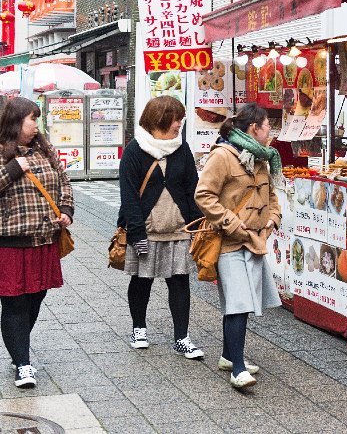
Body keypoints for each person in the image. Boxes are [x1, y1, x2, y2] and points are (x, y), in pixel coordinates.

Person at [0, 97, 73, 389]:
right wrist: (13, 169)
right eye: (32, 120)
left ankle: (18, 347)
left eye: (37, 120)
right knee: (14, 304)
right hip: (8, 243)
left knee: (36, 298)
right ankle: (23, 363)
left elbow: (64, 182)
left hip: (43, 239)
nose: (36, 126)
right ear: (16, 122)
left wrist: (66, 211)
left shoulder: (44, 150)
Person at [195, 103, 282, 388]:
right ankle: (238, 369)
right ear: (253, 127)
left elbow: (271, 195)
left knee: (239, 304)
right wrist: (233, 223)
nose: (270, 130)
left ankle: (228, 356)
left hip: (255, 241)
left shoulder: (261, 157)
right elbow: (204, 195)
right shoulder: (223, 156)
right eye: (267, 124)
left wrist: (274, 220)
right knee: (238, 303)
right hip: (229, 242)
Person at [118, 95, 205, 359]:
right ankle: (138, 328)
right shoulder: (135, 150)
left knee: (179, 282)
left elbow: (192, 188)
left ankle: (182, 337)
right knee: (142, 280)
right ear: (162, 119)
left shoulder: (182, 148)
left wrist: (197, 225)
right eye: (177, 118)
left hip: (178, 228)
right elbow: (129, 195)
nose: (180, 123)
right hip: (146, 228)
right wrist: (136, 233)